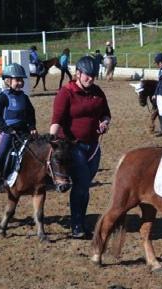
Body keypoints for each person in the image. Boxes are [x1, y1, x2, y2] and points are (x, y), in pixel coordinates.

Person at [49, 56, 111, 239]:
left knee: (84, 186)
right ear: (78, 73)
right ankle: (77, 225)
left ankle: (79, 221)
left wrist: (105, 123)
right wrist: (51, 140)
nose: (90, 79)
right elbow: (57, 120)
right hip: (72, 146)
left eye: (93, 76)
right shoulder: (66, 92)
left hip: (93, 146)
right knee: (82, 184)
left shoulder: (97, 92)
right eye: (87, 75)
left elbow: (106, 114)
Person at [0, 63, 37, 192]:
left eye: (21, 80)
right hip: (9, 131)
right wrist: (7, 129)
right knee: (1, 152)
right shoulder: (3, 97)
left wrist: (32, 126)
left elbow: (30, 113)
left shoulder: (24, 97)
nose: (20, 83)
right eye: (17, 80)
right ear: (8, 80)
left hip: (24, 130)